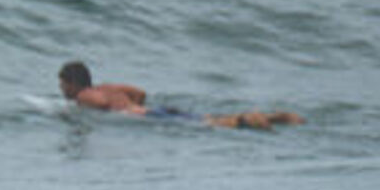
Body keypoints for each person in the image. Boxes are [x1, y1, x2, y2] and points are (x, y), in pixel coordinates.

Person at [58, 60, 304, 129]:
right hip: (154, 111)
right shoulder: (107, 87)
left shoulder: (84, 95)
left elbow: (100, 104)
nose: (61, 90)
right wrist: (129, 106)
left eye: (63, 85)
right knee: (207, 120)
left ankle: (251, 119)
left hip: (150, 117)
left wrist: (113, 113)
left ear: (73, 83)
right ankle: (274, 117)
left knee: (213, 124)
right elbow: (140, 93)